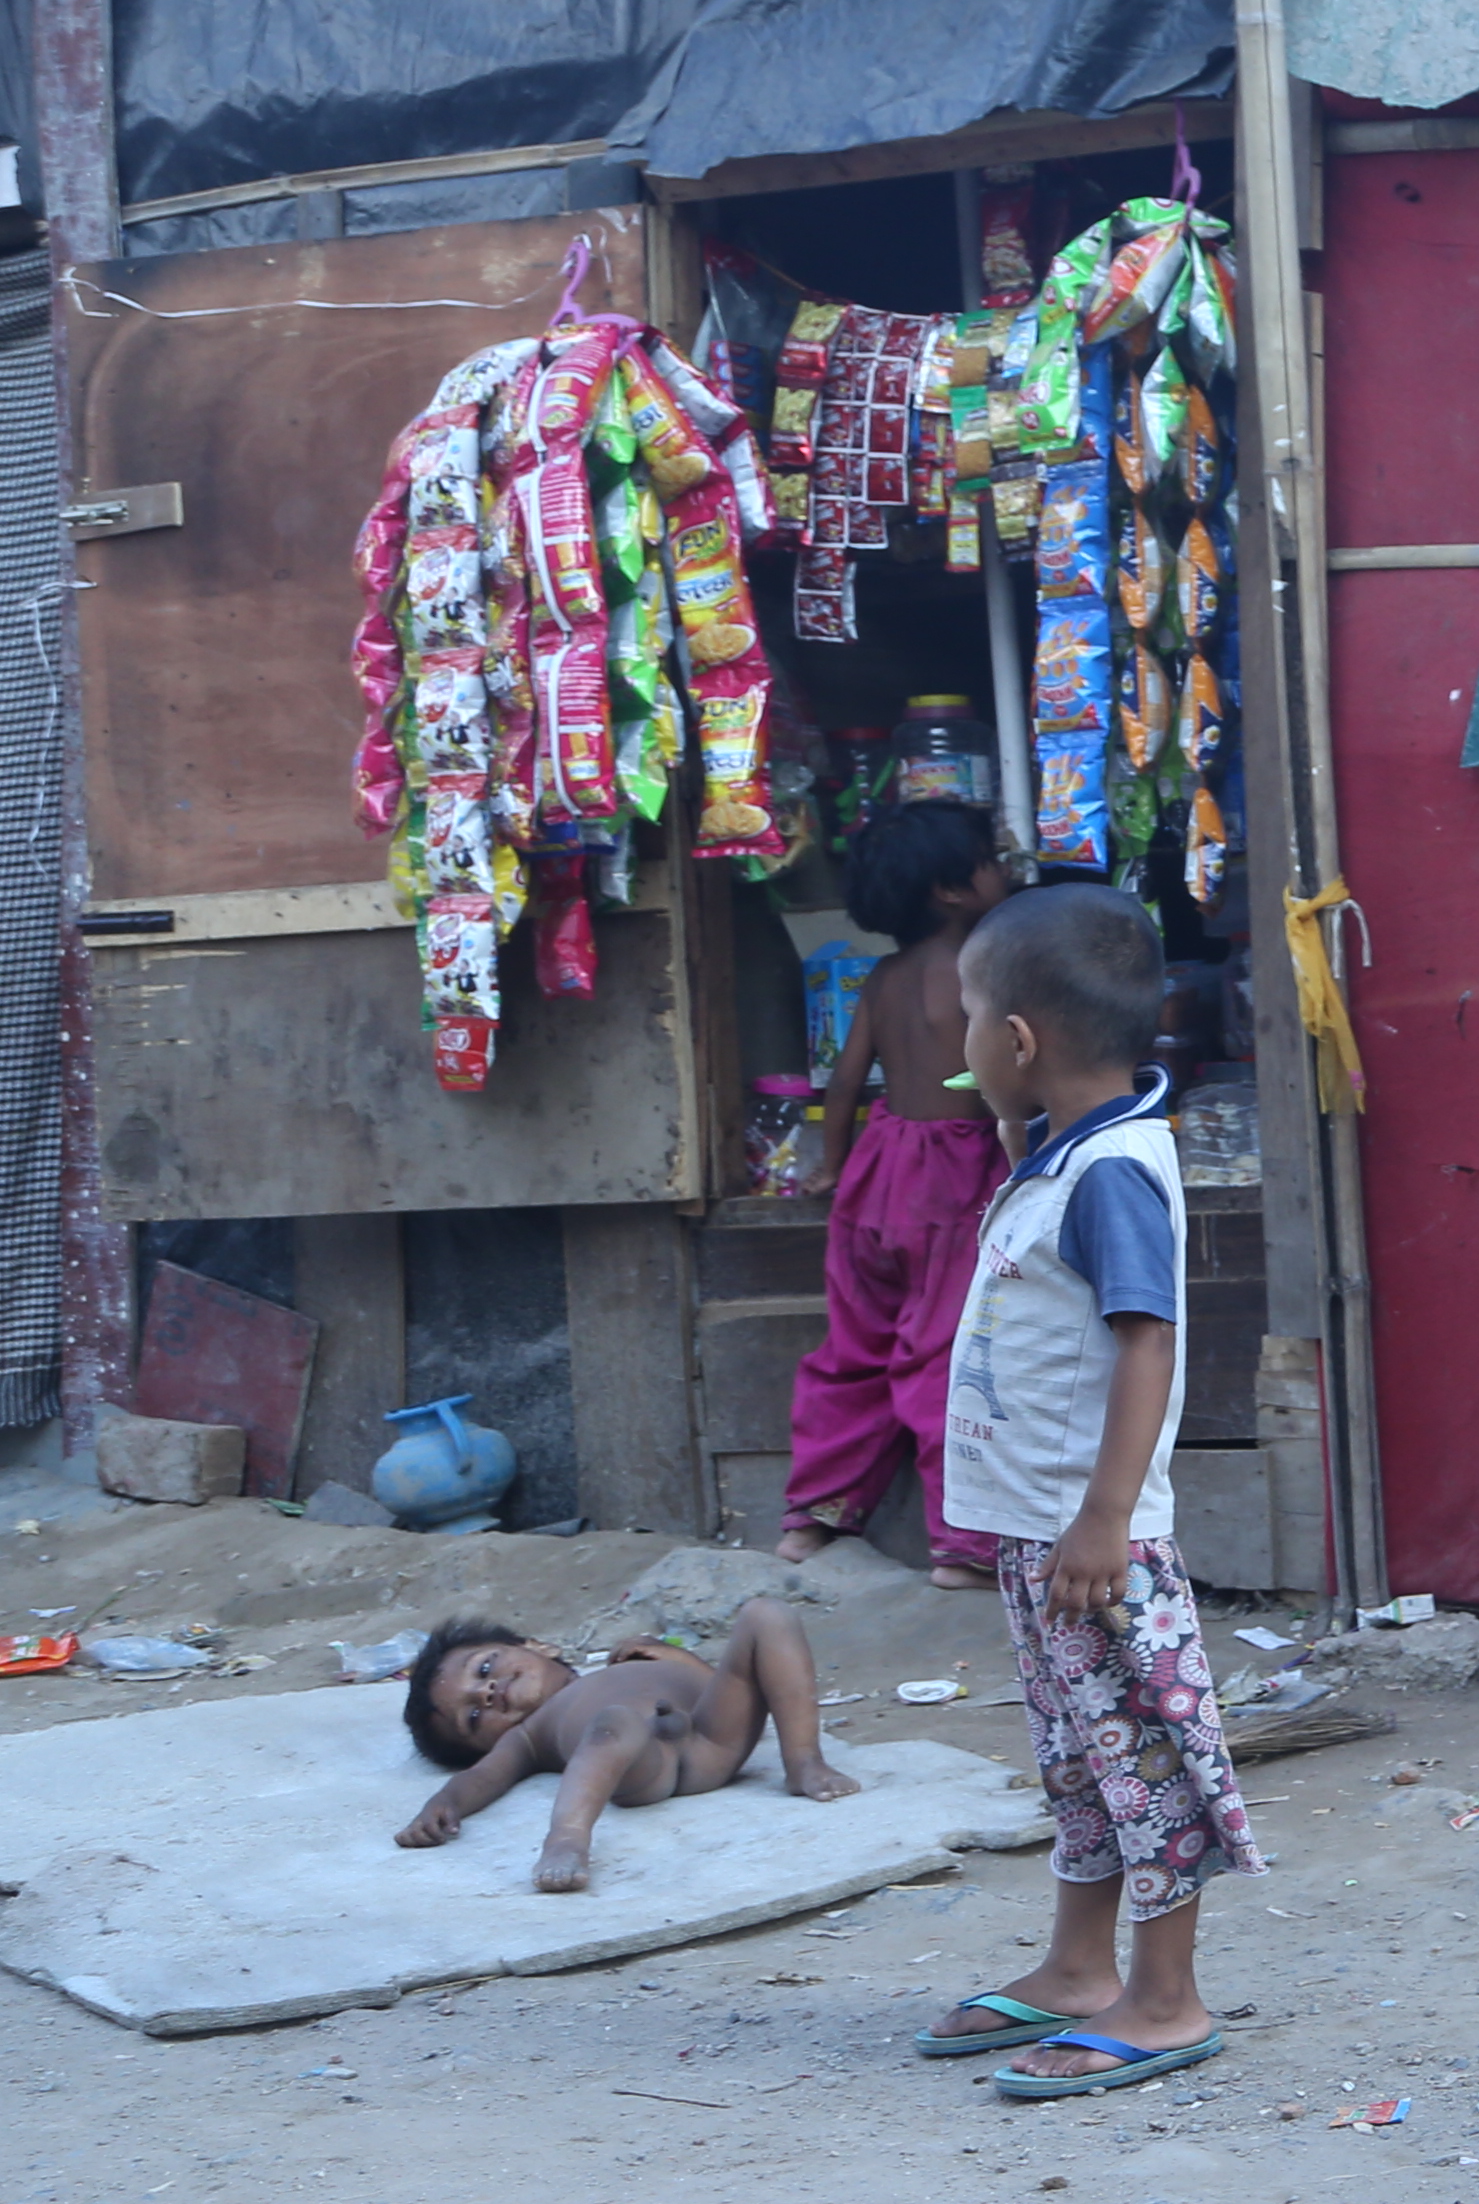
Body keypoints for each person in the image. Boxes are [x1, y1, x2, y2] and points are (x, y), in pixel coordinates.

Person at [913, 881, 1257, 2100]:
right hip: (1043, 1537)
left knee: (1148, 1760)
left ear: (1016, 1042)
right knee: (1077, 1757)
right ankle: (1074, 1967)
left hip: (1101, 1545)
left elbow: (1146, 1341)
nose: (956, 1039)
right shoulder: (1065, 1158)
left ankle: (1165, 1999)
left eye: (965, 1016)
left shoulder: (1113, 1170)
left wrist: (1108, 1515)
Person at [778, 798, 1015, 1584]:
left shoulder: (882, 977)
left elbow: (843, 1084)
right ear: (951, 889)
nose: (1004, 868)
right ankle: (962, 1546)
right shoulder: (989, 971)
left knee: (853, 1351)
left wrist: (836, 1168)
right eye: (990, 857)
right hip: (956, 1178)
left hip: (879, 1175)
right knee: (944, 1357)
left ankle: (812, 1517)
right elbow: (999, 1084)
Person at [396, 1601, 857, 1892]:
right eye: (474, 1716)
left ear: (541, 1646)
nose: (489, 1692)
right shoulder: (529, 1735)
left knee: (767, 1614)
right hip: (648, 1765)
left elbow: (715, 1684)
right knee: (614, 1721)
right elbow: (483, 1777)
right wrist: (443, 1803)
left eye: (484, 1669)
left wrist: (675, 1657)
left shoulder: (624, 1664)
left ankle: (803, 1761)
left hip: (713, 1736)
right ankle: (567, 1839)